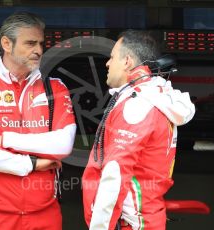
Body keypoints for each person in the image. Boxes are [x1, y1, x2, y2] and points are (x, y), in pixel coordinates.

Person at [0, 12, 76, 230]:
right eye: (30, 43)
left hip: (45, 215)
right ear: (6, 44)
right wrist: (31, 164)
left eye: (41, 43)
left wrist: (2, 140)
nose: (39, 50)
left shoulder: (56, 88)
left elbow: (63, 144)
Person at [82, 30, 196, 230]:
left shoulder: (138, 103)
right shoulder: (158, 97)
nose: (107, 64)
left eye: (112, 57)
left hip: (131, 224)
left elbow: (115, 174)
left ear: (127, 61)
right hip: (144, 219)